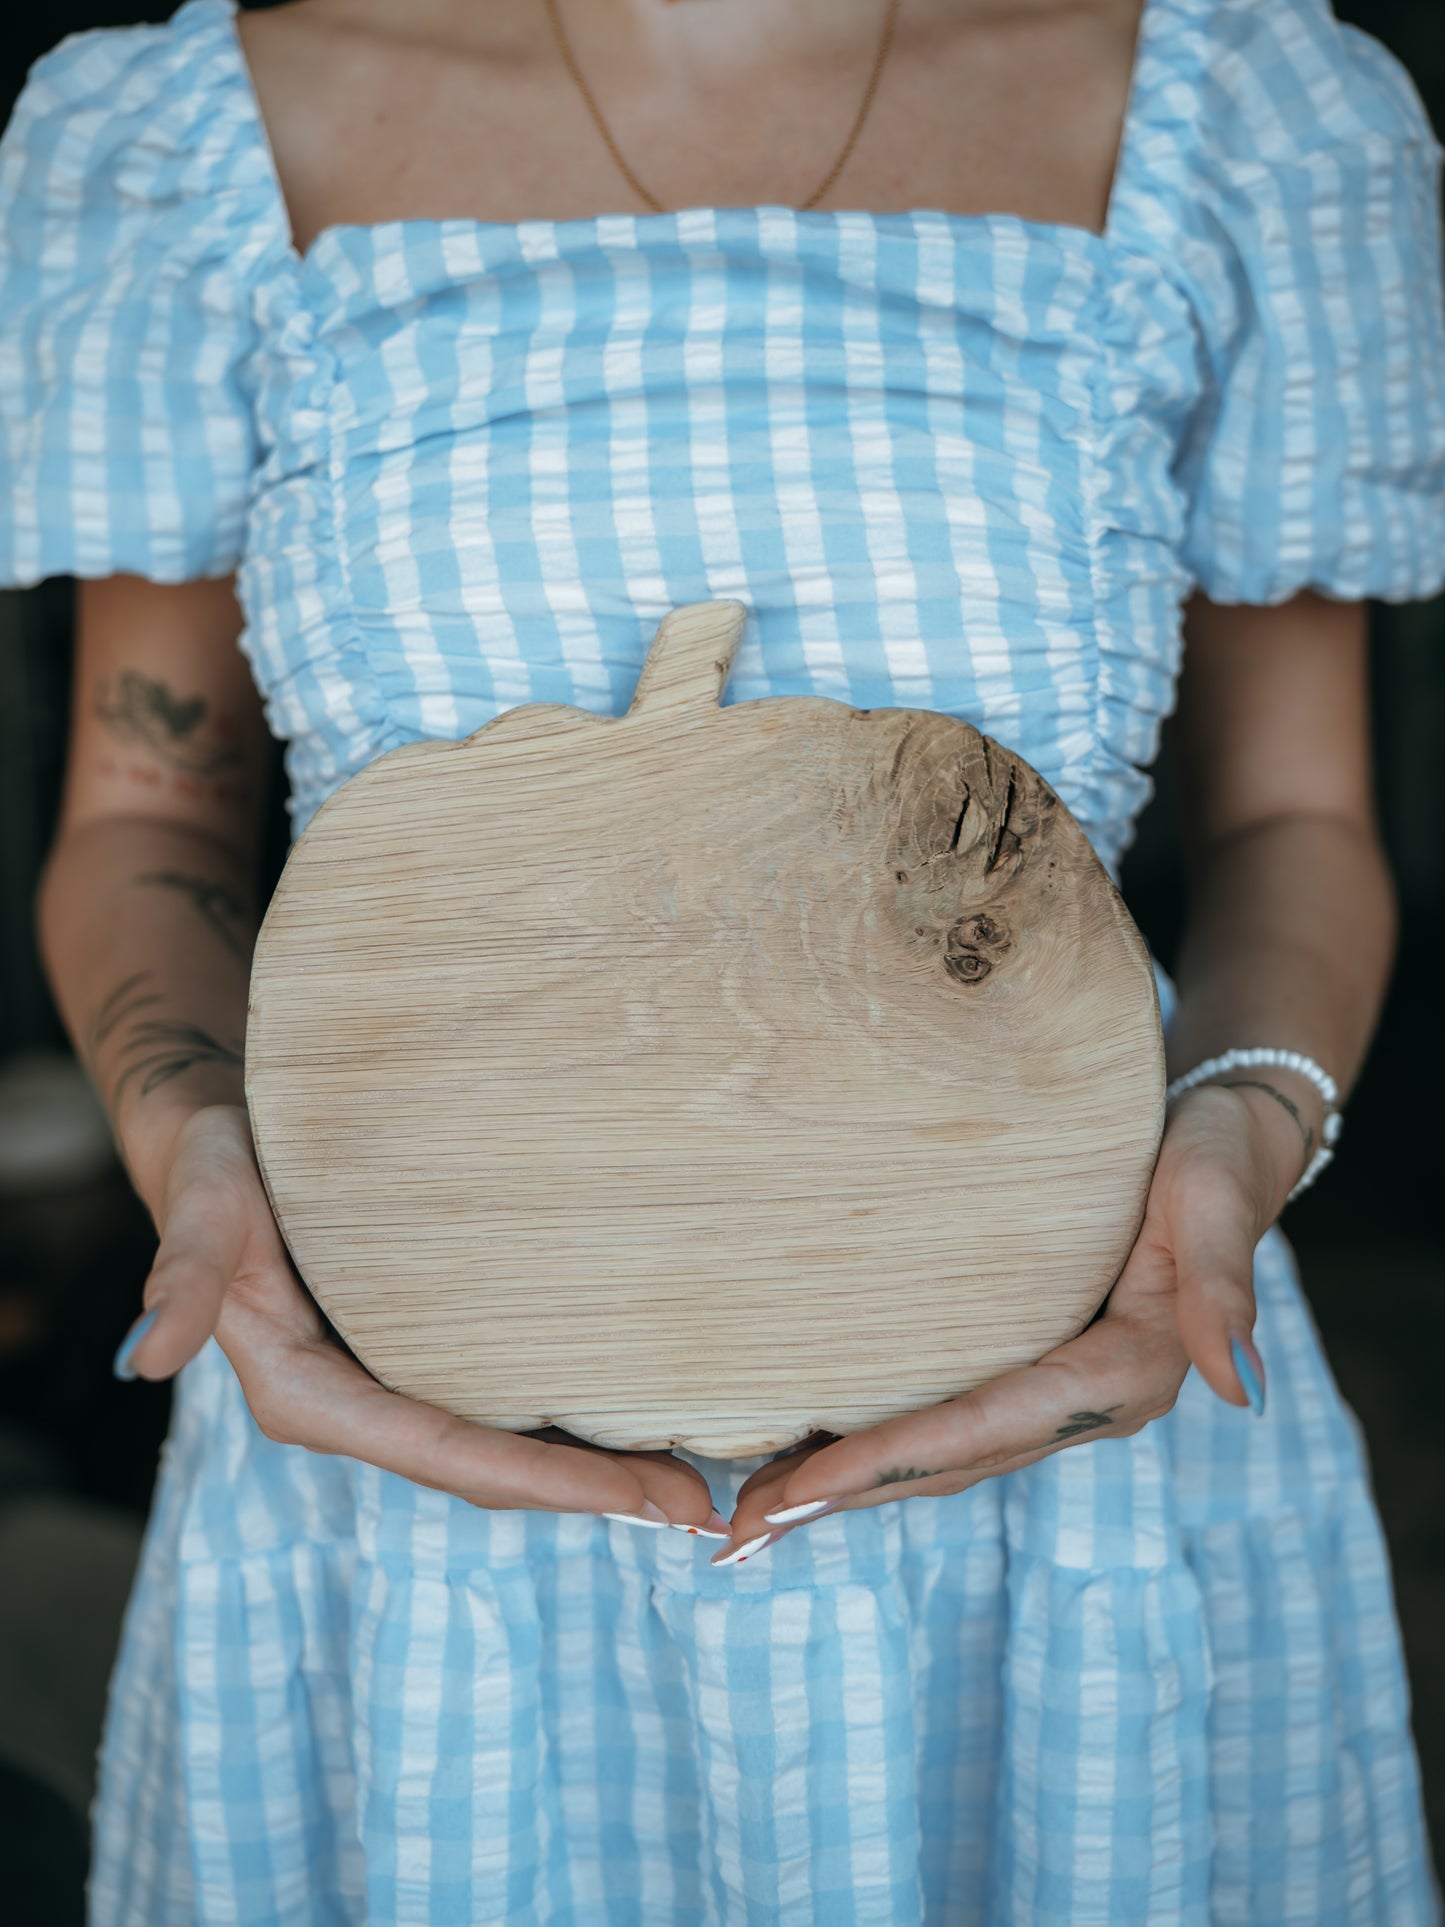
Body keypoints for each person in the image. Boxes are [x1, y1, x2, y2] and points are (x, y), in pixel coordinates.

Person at [1, 0, 1441, 1918]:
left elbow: (1295, 827)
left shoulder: (1248, 117)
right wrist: (199, 1157)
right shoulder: (180, 144)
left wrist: (1237, 1140)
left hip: (1073, 1393)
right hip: (415, 1399)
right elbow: (145, 820)